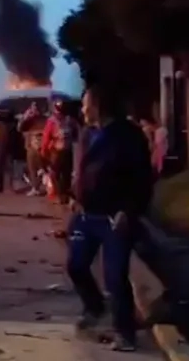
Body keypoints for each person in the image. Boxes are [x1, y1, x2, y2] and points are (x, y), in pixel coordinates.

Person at [67, 85, 154, 352]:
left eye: (85, 104)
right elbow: (82, 170)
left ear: (99, 106)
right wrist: (75, 195)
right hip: (86, 214)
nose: (82, 109)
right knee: (76, 266)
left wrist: (127, 210)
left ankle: (125, 333)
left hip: (114, 218)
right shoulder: (89, 133)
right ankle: (95, 308)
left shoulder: (128, 135)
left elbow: (141, 178)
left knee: (115, 276)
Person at [41, 100, 78, 205]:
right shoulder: (55, 121)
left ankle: (62, 195)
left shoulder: (68, 120)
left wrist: (44, 151)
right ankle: (59, 195)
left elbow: (76, 134)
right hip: (59, 151)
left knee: (62, 175)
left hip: (63, 151)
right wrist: (44, 150)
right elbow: (46, 137)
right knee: (59, 175)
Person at [18, 102, 46, 196]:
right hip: (30, 147)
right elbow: (20, 128)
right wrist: (25, 118)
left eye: (36, 108)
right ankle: (35, 188)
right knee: (32, 168)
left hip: (42, 147)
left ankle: (39, 185)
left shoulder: (44, 119)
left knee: (42, 168)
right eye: (33, 108)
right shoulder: (28, 120)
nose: (35, 110)